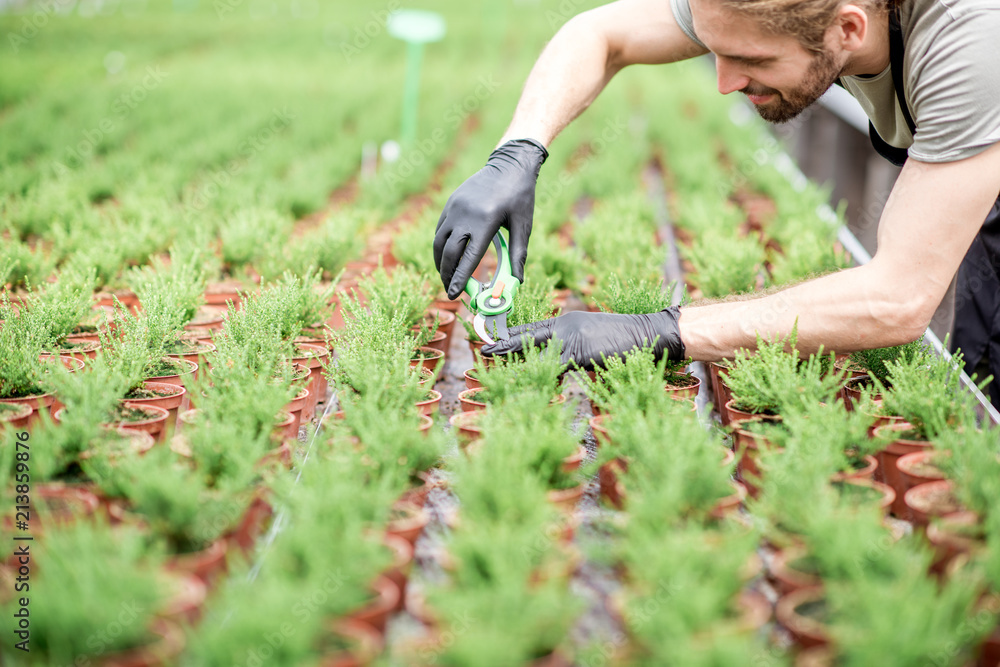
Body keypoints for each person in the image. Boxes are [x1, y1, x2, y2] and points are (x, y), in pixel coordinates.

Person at [432, 0, 1000, 399]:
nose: (724, 82)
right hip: (976, 170)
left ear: (847, 30)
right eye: (713, 51)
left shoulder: (972, 41)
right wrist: (518, 151)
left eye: (751, 60)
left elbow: (896, 299)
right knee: (968, 366)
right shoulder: (780, 10)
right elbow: (600, 34)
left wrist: (659, 332)